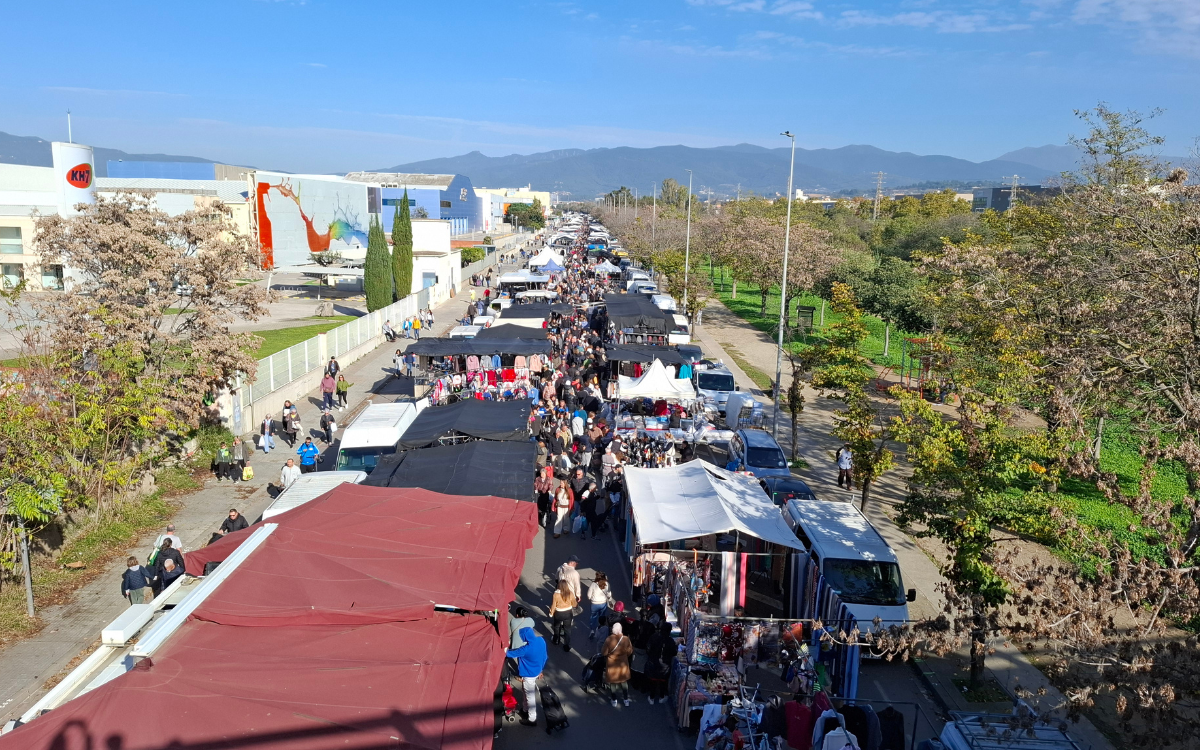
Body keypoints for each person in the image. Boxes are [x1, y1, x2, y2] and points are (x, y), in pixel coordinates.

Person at [505, 627, 547, 728]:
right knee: (526, 691)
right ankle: (525, 709)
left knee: (530, 696)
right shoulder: (541, 640)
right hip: (537, 670)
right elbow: (545, 656)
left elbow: (509, 653)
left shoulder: (526, 649)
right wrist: (541, 669)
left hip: (529, 675)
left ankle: (532, 719)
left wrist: (505, 648)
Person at [601, 622, 634, 707]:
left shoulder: (609, 639)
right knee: (624, 682)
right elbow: (630, 651)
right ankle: (626, 699)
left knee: (613, 682)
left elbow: (604, 653)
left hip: (612, 663)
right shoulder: (626, 639)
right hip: (623, 663)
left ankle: (614, 700)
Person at [644, 621, 674, 704]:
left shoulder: (654, 637)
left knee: (653, 681)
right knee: (663, 682)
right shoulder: (670, 640)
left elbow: (648, 649)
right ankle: (662, 696)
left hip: (653, 662)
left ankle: (652, 697)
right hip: (665, 665)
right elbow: (674, 652)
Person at [549, 579, 578, 652]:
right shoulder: (570, 593)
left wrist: (551, 613)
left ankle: (556, 640)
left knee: (557, 626)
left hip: (559, 613)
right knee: (567, 629)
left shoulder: (556, 594)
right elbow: (574, 604)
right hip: (568, 613)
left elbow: (553, 605)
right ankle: (567, 645)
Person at [586, 571, 614, 640]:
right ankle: (601, 630)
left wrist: (590, 598)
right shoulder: (607, 584)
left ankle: (592, 630)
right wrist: (610, 601)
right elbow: (609, 594)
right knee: (602, 617)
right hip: (603, 603)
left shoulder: (593, 584)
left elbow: (589, 595)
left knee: (593, 617)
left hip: (595, 604)